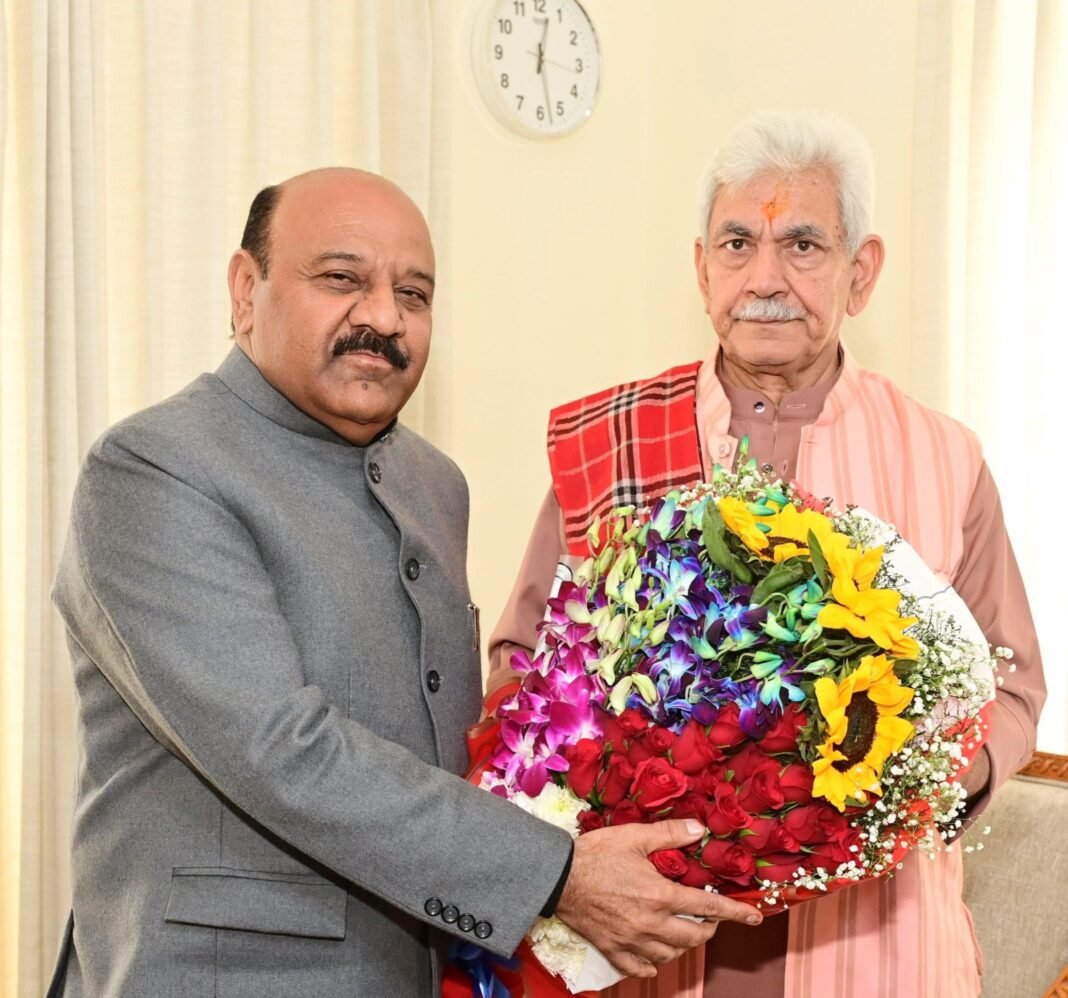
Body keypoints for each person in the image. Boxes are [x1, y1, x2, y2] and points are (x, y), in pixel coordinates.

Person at [47, 168, 764, 997]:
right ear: (247, 289)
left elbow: (449, 739)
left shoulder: (433, 483)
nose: (383, 318)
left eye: (414, 294)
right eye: (342, 278)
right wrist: (559, 873)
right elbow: (281, 752)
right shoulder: (155, 469)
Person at [489, 112, 1046, 998]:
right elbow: (523, 669)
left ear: (860, 273)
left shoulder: (945, 458)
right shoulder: (615, 440)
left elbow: (1012, 678)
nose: (766, 279)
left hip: (877, 944)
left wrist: (932, 781)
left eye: (804, 245)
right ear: (701, 267)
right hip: (653, 943)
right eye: (739, 243)